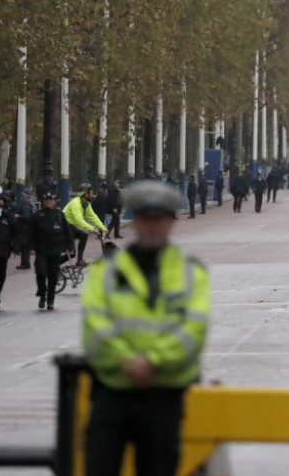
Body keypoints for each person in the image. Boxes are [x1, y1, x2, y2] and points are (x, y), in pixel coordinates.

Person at [82, 180, 210, 476]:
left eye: (160, 219)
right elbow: (95, 326)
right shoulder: (106, 273)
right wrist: (128, 360)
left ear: (170, 222)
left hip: (164, 395)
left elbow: (194, 330)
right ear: (136, 221)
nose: (153, 226)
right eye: (146, 218)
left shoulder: (192, 273)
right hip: (112, 392)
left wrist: (151, 361)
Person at [30, 189, 72, 310]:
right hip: (41, 249)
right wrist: (31, 247)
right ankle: (42, 294)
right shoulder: (37, 215)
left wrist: (70, 247)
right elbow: (31, 233)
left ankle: (50, 299)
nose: (49, 202)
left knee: (53, 275)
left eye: (51, 200)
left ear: (54, 201)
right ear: (43, 201)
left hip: (55, 249)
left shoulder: (59, 215)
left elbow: (67, 232)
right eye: (47, 200)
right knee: (41, 272)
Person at [64, 182, 107, 266]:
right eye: (91, 193)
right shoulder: (75, 203)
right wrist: (93, 229)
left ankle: (79, 261)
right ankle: (54, 265)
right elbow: (79, 220)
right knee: (72, 253)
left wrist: (102, 227)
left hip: (71, 227)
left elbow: (93, 216)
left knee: (84, 235)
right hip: (64, 227)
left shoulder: (86, 204)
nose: (93, 195)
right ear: (86, 194)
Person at [14, 190, 34, 270]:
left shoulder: (26, 206)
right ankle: (25, 262)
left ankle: (25, 263)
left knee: (24, 247)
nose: (21, 197)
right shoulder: (26, 205)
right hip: (25, 228)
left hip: (24, 229)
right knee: (24, 247)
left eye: (22, 196)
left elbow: (27, 217)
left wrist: (18, 216)